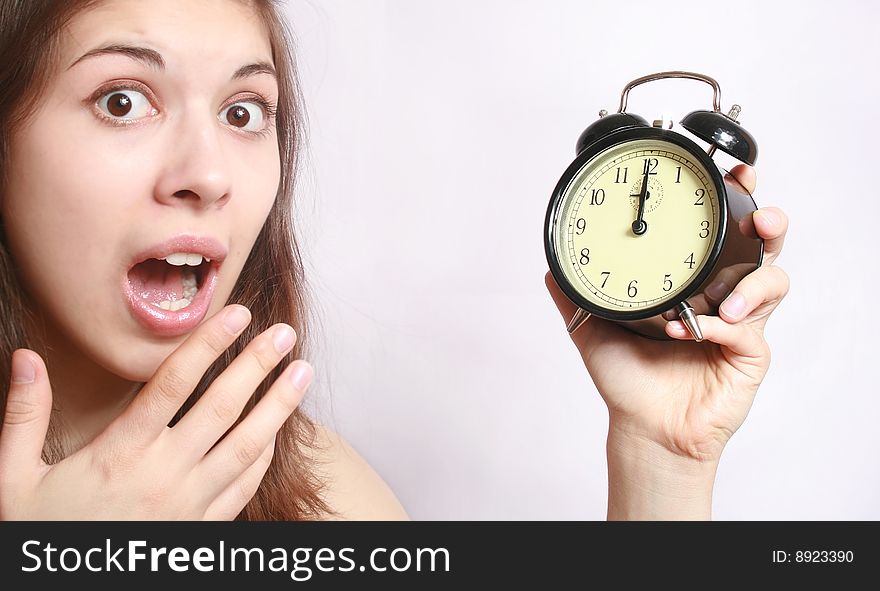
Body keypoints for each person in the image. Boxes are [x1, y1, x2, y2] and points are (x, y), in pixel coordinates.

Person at [0, 0, 788, 521]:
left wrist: (660, 461)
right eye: (122, 101)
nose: (207, 174)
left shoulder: (315, 490)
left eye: (244, 112)